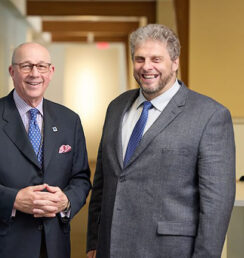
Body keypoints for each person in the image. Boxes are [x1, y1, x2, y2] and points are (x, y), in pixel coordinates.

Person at [87, 24, 235, 258]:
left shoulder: (210, 115)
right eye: (140, 59)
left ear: (175, 62)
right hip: (110, 247)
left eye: (156, 59)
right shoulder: (116, 107)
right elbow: (102, 183)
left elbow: (216, 204)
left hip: (170, 251)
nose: (147, 67)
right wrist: (94, 242)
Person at [0, 42, 91, 258]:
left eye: (41, 66)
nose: (34, 74)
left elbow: (81, 177)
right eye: (26, 66)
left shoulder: (69, 120)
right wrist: (14, 200)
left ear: (51, 72)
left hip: (53, 245)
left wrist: (66, 200)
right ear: (12, 71)